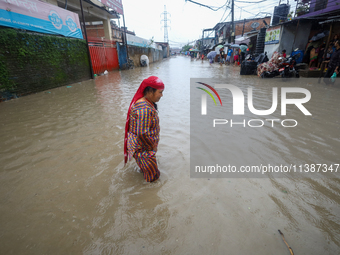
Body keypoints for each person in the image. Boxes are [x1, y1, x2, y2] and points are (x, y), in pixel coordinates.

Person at [124, 76, 164, 182]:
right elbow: (142, 133)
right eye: (160, 92)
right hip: (143, 148)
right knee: (154, 178)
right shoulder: (144, 109)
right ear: (150, 91)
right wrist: (153, 146)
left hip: (141, 146)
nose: (162, 95)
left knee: (147, 172)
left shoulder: (146, 102)